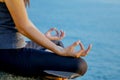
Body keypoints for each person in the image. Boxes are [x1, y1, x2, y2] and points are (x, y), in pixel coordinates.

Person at [0, 0, 92, 80]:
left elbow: (24, 20)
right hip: (8, 52)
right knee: (80, 65)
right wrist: (60, 51)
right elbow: (23, 27)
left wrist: (43, 38)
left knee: (57, 43)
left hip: (10, 46)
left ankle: (53, 76)